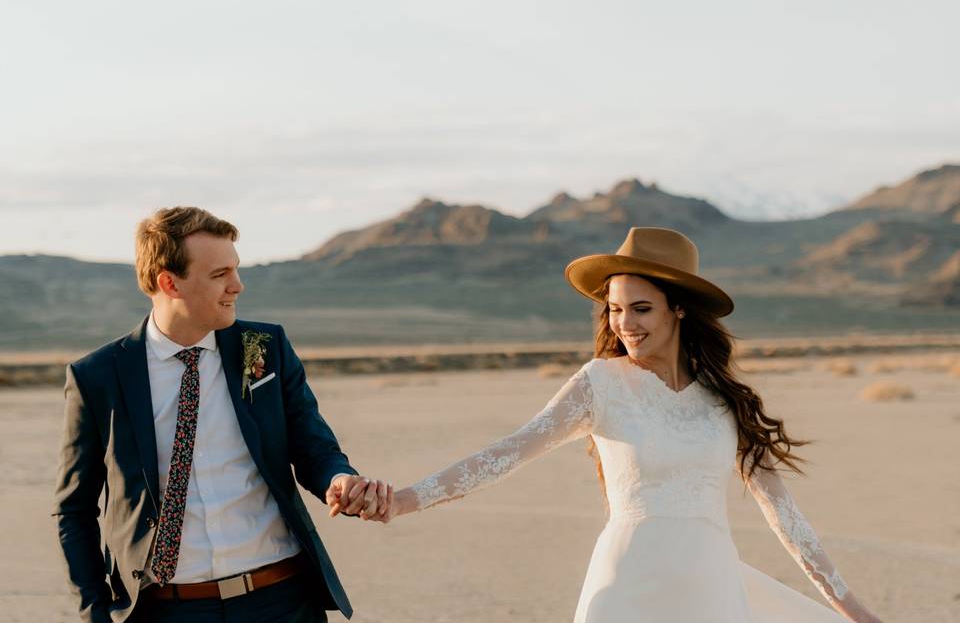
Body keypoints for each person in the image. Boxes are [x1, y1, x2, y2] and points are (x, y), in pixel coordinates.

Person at [357, 227, 882, 622]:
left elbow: (786, 519)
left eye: (641, 308)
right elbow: (509, 453)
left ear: (678, 309)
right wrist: (404, 500)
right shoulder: (600, 384)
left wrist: (853, 609)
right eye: (614, 310)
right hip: (627, 582)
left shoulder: (727, 402)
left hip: (712, 588)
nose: (624, 324)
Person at [53, 206, 392, 623]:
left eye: (235, 269)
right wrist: (95, 613)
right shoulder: (98, 376)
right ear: (168, 282)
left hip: (282, 600)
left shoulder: (263, 347)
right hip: (166, 611)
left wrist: (339, 480)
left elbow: (313, 447)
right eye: (219, 275)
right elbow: (74, 509)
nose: (237, 285)